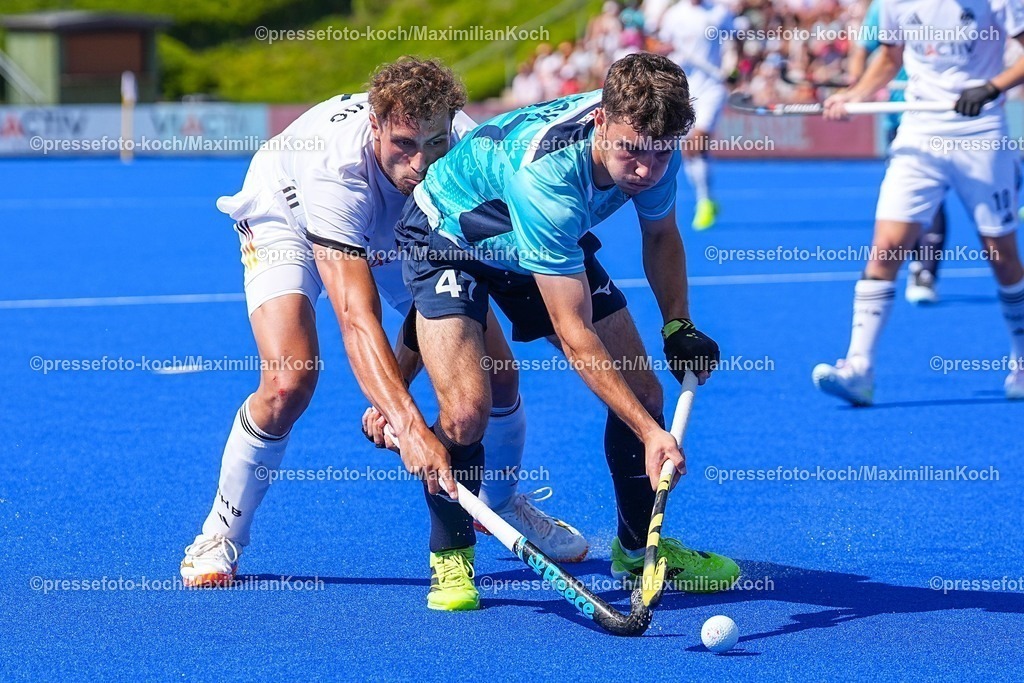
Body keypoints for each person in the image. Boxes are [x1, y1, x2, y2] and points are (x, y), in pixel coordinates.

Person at [180, 58, 586, 588]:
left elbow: (436, 306)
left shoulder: (465, 150)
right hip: (289, 210)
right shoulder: (336, 171)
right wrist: (412, 426)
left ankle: (502, 503)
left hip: (407, 223)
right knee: (288, 381)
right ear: (376, 126)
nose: (421, 162)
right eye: (403, 144)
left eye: (434, 143)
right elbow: (356, 315)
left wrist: (391, 399)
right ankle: (221, 534)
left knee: (496, 371)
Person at [389, 52, 740, 611]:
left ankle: (636, 551)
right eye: (630, 150)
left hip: (537, 242)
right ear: (601, 120)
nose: (645, 170)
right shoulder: (549, 179)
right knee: (464, 412)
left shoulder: (654, 143)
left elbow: (661, 236)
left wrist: (679, 323)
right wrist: (653, 437)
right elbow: (574, 333)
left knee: (645, 394)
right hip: (453, 237)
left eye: (660, 152)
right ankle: (451, 555)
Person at [813, 0, 1024, 406]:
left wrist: (992, 87)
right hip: (919, 133)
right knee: (886, 248)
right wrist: (853, 95)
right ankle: (859, 368)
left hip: (982, 133)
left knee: (1002, 256)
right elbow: (890, 56)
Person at [848, 0, 948, 304]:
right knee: (906, 201)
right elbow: (864, 51)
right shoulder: (884, 6)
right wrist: (856, 88)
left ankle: (924, 269)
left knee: (934, 198)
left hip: (936, 114)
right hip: (897, 116)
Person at [657, 0, 736, 230]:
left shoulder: (719, 13)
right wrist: (665, 49)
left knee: (698, 141)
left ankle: (704, 203)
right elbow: (661, 43)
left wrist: (731, 68)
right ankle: (707, 198)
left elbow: (732, 45)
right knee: (691, 150)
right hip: (684, 89)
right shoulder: (674, 14)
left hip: (712, 87)